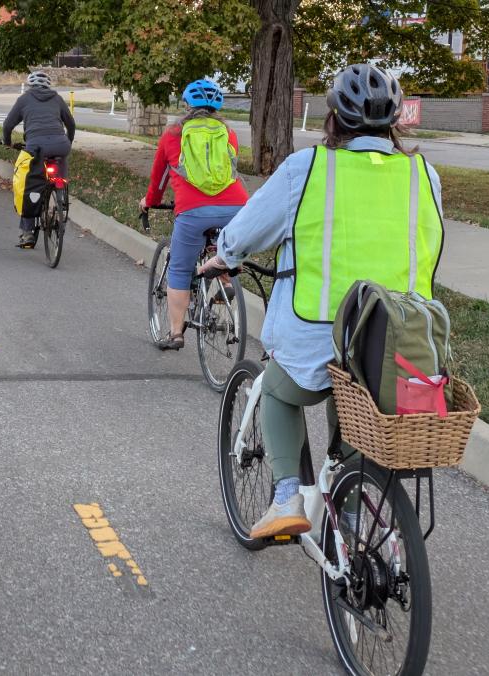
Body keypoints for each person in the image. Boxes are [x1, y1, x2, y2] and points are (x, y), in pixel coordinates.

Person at [199, 64, 444, 538]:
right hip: (397, 341)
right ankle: (350, 518)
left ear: (333, 119)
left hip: (318, 333)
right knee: (356, 404)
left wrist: (223, 256)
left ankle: (286, 495)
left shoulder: (307, 168)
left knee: (275, 389)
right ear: (393, 124)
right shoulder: (424, 175)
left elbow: (246, 231)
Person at [139, 79, 248, 350]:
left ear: (186, 105)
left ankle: (176, 333)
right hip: (237, 208)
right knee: (226, 254)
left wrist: (149, 202)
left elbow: (159, 179)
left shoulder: (173, 134)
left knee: (179, 268)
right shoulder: (229, 133)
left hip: (193, 210)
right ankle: (226, 284)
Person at [2, 71, 76, 248]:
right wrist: (68, 142)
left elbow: (8, 124)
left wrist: (7, 142)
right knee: (59, 171)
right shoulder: (57, 98)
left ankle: (27, 232)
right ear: (48, 86)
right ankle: (60, 204)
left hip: (36, 147)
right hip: (60, 144)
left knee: (29, 184)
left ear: (30, 85)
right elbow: (71, 124)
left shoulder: (24, 99)